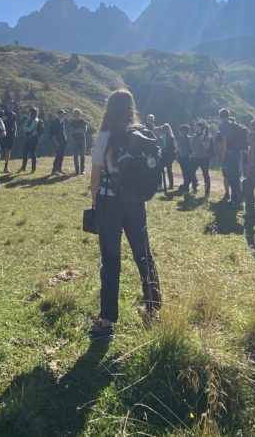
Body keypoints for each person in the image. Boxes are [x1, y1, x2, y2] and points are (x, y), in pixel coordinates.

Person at [89, 90, 162, 339]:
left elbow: (95, 177)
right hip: (135, 203)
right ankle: (153, 310)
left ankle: (107, 320)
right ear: (131, 108)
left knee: (110, 261)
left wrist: (95, 203)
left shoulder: (104, 137)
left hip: (109, 204)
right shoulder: (138, 135)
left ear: (109, 108)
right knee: (144, 256)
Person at [189, 121, 211, 199]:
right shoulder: (193, 136)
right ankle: (194, 188)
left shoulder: (206, 137)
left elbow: (206, 148)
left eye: (197, 127)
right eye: (195, 127)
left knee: (205, 174)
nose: (195, 128)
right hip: (195, 157)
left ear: (201, 128)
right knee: (191, 172)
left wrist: (202, 141)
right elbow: (191, 146)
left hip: (204, 158)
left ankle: (207, 192)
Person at [19, 107, 42, 173]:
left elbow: (28, 129)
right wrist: (26, 128)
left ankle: (33, 168)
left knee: (32, 153)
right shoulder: (30, 119)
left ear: (32, 112)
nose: (28, 112)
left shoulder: (35, 120)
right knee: (25, 152)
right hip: (29, 137)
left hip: (33, 138)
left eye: (30, 111)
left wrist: (26, 128)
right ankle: (23, 168)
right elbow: (25, 127)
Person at [0, 101, 18, 174]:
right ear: (7, 105)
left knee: (8, 150)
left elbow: (15, 124)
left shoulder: (14, 114)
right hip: (3, 134)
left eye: (13, 105)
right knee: (0, 150)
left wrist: (15, 132)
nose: (11, 106)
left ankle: (6, 167)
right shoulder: (2, 112)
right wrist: (2, 119)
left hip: (10, 135)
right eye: (10, 104)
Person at [69, 109, 89, 175]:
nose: (76, 115)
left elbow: (84, 130)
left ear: (80, 114)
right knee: (75, 156)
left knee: (82, 155)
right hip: (75, 140)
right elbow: (71, 131)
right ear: (74, 114)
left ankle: (82, 170)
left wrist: (75, 130)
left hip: (82, 140)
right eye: (75, 114)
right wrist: (79, 129)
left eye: (78, 114)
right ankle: (77, 171)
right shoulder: (72, 122)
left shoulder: (83, 121)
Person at [175, 124, 194, 195]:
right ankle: (186, 185)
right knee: (184, 172)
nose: (180, 132)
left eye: (181, 130)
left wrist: (191, 155)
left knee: (187, 172)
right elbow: (178, 147)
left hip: (187, 157)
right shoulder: (179, 138)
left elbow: (191, 148)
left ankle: (187, 186)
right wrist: (177, 155)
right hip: (181, 157)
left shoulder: (189, 138)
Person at [158, 123, 176, 192]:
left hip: (169, 156)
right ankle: (160, 184)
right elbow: (156, 130)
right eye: (164, 128)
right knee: (160, 169)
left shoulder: (172, 137)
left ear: (169, 129)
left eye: (166, 128)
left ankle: (171, 185)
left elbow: (174, 147)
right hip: (163, 155)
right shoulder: (161, 135)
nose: (165, 130)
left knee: (169, 171)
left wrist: (173, 156)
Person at [49, 109, 68, 174]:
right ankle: (54, 170)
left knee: (61, 155)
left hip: (63, 141)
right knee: (58, 156)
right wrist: (56, 142)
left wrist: (65, 138)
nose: (64, 115)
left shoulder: (62, 121)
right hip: (57, 142)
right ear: (59, 114)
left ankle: (59, 169)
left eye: (64, 113)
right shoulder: (55, 122)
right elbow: (52, 134)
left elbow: (63, 131)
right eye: (63, 113)